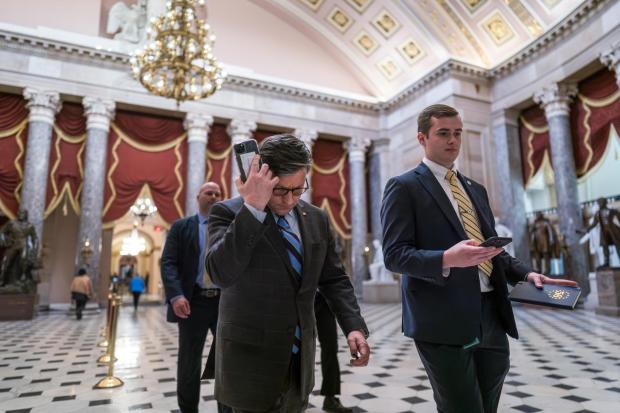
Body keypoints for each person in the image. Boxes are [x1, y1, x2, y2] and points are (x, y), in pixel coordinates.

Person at [380, 104, 577, 413]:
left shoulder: (475, 188)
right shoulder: (404, 187)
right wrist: (447, 258)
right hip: (440, 319)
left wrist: (528, 275)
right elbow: (394, 256)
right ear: (422, 138)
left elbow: (492, 252)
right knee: (462, 407)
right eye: (443, 133)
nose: (453, 141)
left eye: (457, 133)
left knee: (488, 405)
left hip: (491, 314)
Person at [207, 134, 370, 413]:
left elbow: (334, 279)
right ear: (262, 176)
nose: (290, 200)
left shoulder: (316, 218)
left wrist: (353, 325)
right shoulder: (228, 213)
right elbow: (220, 272)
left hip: (299, 360)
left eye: (298, 189)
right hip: (249, 361)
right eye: (281, 190)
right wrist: (253, 208)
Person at [161, 181, 231, 413]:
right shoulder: (182, 227)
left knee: (226, 361)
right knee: (189, 361)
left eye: (217, 193)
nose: (213, 196)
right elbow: (168, 262)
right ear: (198, 196)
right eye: (208, 193)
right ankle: (188, 409)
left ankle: (227, 409)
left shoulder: (231, 227)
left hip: (224, 302)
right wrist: (176, 295)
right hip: (193, 301)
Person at [314, 292, 353, 413]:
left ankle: (330, 398)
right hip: (300, 297)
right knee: (297, 348)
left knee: (331, 349)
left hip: (324, 299)